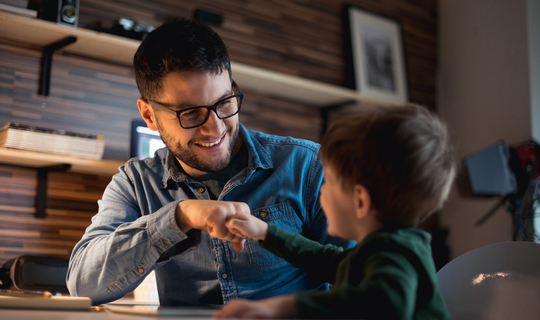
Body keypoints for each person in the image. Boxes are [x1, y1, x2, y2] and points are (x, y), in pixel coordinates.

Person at [66, 17, 352, 307]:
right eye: (190, 113)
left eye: (224, 103)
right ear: (149, 115)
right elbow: (83, 285)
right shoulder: (134, 184)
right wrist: (179, 217)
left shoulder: (308, 167)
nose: (215, 129)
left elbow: (370, 282)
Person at [216, 105, 456, 319]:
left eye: (329, 182)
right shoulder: (383, 247)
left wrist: (285, 307)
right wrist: (265, 232)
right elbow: (324, 260)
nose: (323, 191)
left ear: (360, 201)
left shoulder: (394, 255)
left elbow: (387, 303)